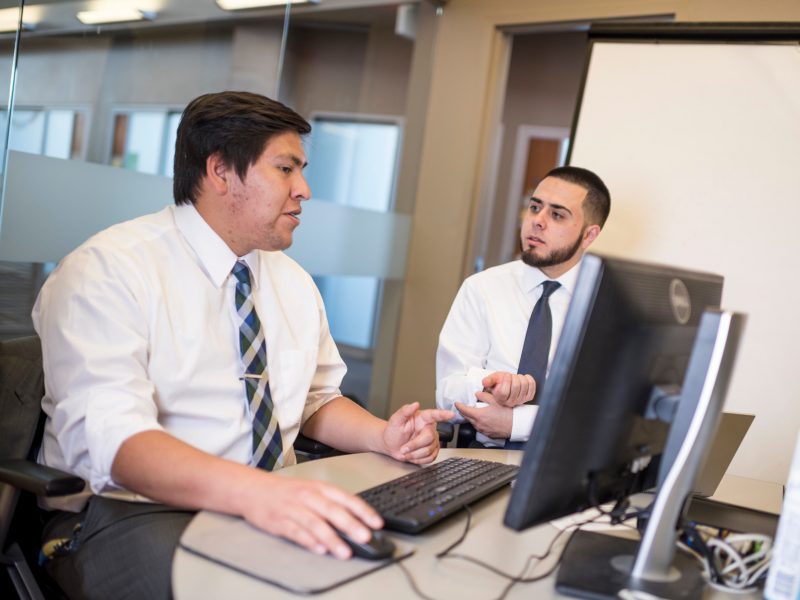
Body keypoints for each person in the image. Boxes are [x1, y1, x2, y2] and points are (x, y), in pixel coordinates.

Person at [33, 91, 453, 599]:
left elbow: (314, 399)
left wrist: (383, 436)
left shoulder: (291, 281)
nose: (304, 189)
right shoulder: (108, 271)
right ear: (220, 171)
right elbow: (113, 440)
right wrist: (256, 494)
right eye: (285, 169)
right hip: (133, 508)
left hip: (263, 494)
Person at [435, 166, 610, 448]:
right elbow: (446, 394)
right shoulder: (482, 288)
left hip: (566, 466)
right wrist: (488, 384)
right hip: (481, 461)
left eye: (557, 214)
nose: (537, 221)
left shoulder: (607, 307)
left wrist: (518, 423)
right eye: (534, 207)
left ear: (589, 236)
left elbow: (603, 415)